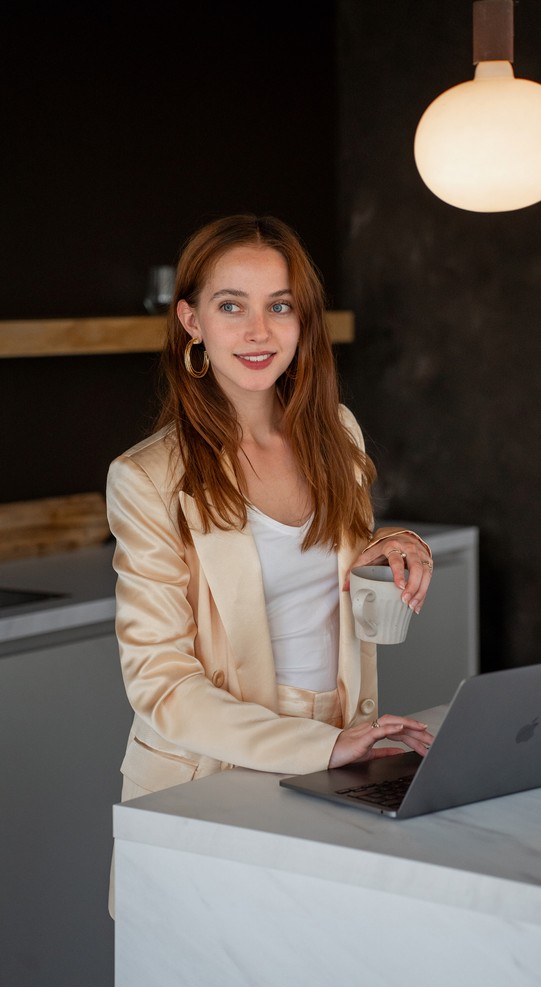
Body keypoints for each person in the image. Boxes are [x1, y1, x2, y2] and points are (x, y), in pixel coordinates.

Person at [106, 214, 435, 905]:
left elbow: (332, 571)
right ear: (191, 320)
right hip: (210, 774)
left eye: (279, 306)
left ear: (302, 320)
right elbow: (160, 683)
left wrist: (391, 547)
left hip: (341, 751)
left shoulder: (336, 433)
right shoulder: (148, 477)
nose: (259, 332)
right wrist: (318, 749)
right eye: (232, 306)